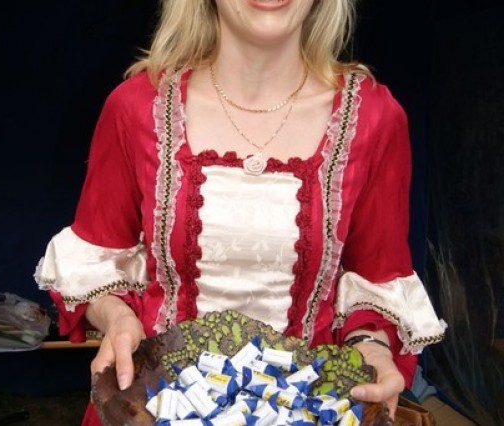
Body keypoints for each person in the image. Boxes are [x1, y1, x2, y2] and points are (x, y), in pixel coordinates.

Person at [35, 0, 447, 423]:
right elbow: (95, 263)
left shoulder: (374, 118)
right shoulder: (135, 106)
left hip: (304, 410)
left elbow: (377, 280)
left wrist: (371, 346)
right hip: (155, 406)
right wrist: (118, 318)